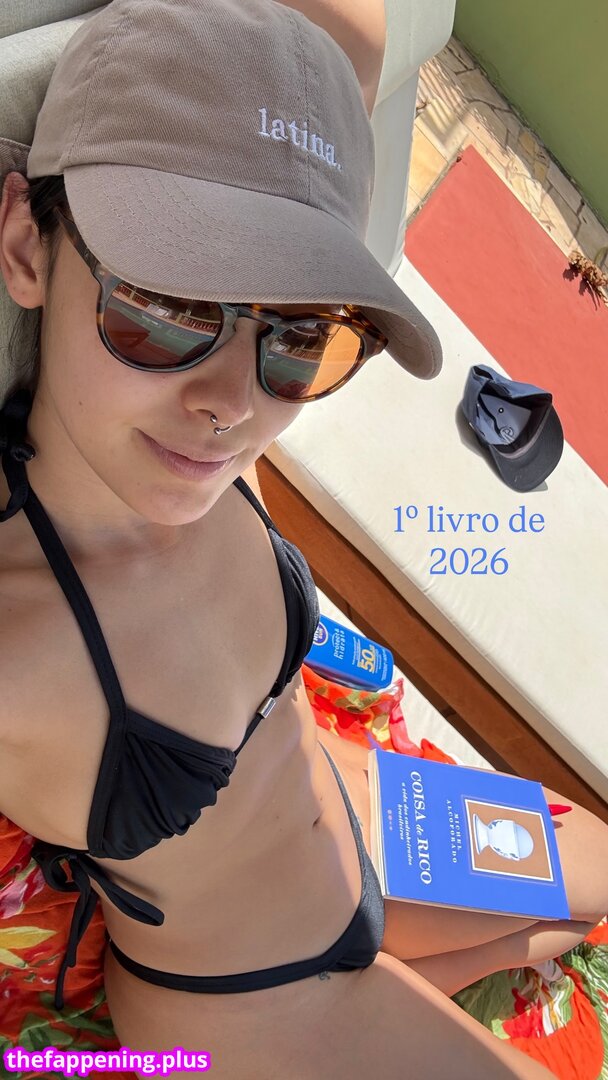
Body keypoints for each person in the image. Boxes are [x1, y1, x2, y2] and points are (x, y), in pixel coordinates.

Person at [1, 1, 607, 1076]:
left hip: (353, 816)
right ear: (24, 246)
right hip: (247, 1000)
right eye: (171, 306)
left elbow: (353, 28)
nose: (233, 404)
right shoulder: (19, 642)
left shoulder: (198, 451)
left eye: (297, 337)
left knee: (596, 878)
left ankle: (421, 977)